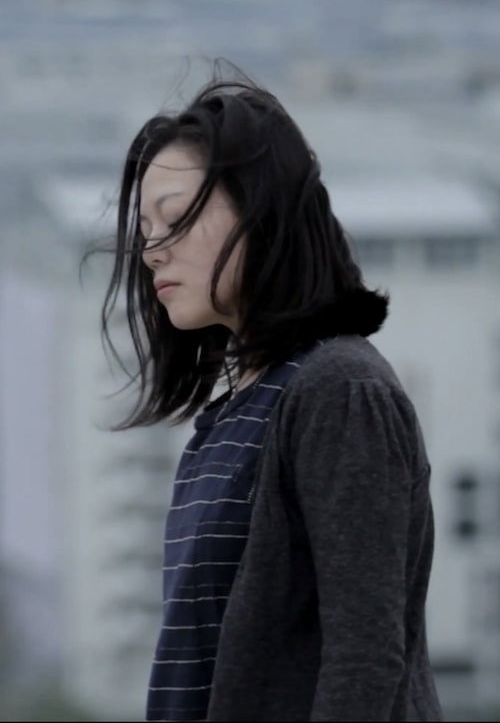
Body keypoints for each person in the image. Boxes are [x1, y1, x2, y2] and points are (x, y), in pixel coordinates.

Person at [88, 67, 444, 721]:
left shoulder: (341, 391)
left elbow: (364, 657)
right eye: (144, 230)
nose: (152, 251)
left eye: (175, 219)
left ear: (262, 214)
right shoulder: (230, 418)